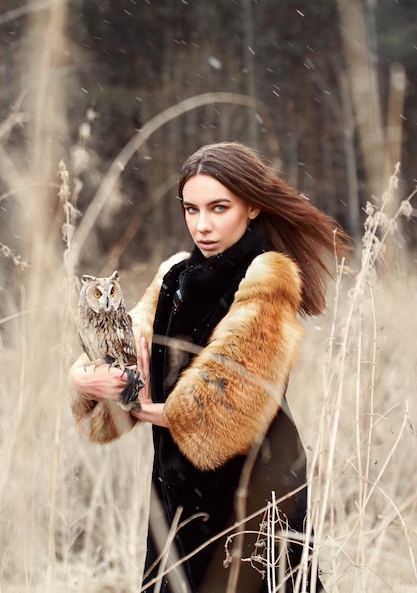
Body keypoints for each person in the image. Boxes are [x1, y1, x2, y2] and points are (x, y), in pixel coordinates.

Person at [70, 142, 348, 592]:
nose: (202, 225)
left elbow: (222, 407)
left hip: (256, 489)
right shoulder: (175, 276)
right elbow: (125, 342)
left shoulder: (267, 280)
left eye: (219, 207)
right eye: (191, 209)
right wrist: (85, 378)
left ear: (252, 205)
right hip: (176, 491)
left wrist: (142, 406)